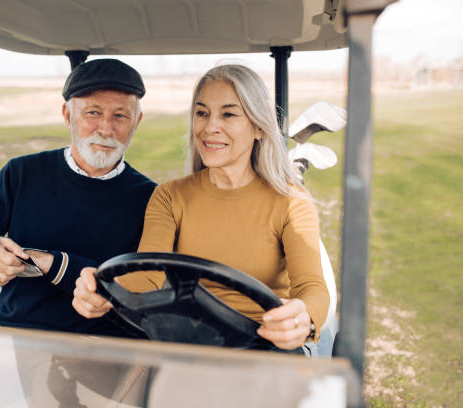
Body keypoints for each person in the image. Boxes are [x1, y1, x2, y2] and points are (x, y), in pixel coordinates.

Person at [72, 64, 329, 352]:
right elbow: (147, 277)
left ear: (258, 126)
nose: (209, 127)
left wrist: (305, 318)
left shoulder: (291, 202)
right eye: (202, 113)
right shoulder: (170, 196)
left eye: (228, 114)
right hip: (189, 343)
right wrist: (104, 292)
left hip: (263, 346)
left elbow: (312, 287)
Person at [0, 58, 156, 336]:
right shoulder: (21, 173)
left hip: (102, 346)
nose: (106, 128)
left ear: (136, 121)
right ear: (68, 116)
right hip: (13, 333)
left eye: (120, 116)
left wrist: (54, 264)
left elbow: (145, 287)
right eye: (92, 113)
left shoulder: (151, 197)